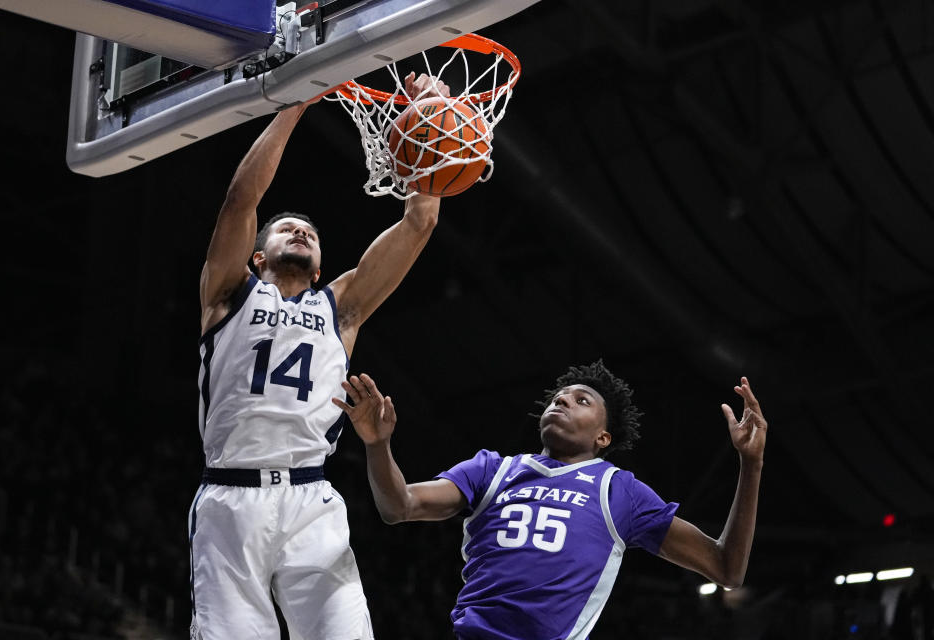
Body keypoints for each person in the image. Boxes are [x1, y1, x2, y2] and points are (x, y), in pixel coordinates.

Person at [189, 73, 448, 640]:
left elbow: (420, 221)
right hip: (232, 498)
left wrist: (431, 121)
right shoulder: (229, 294)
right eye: (287, 228)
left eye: (310, 231)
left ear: (322, 267)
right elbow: (242, 199)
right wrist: (296, 100)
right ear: (257, 257)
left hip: (312, 497)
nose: (301, 231)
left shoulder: (341, 309)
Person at [333, 361, 767, 640]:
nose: (563, 400)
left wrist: (751, 465)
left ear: (603, 437)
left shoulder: (620, 491)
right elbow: (398, 507)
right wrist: (377, 444)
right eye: (560, 396)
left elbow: (726, 568)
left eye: (582, 400)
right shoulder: (492, 469)